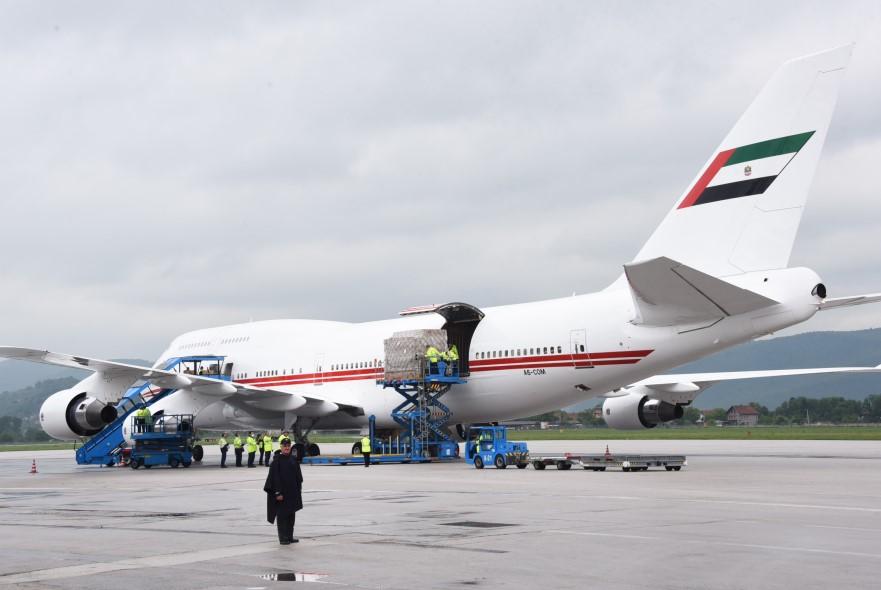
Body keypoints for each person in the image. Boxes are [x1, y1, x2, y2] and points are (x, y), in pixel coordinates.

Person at [264, 439, 303, 545]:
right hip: (282, 495)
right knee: (282, 516)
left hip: (292, 494)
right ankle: (283, 538)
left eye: (288, 446)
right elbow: (274, 478)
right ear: (281, 447)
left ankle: (290, 536)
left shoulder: (293, 459)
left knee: (291, 516)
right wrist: (278, 493)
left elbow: (298, 477)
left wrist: (298, 490)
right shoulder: (277, 461)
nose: (287, 448)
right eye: (285, 446)